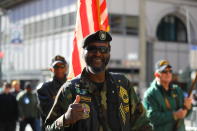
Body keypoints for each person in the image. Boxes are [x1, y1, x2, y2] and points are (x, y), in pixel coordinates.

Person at [45, 30, 152, 131]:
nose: (98, 53)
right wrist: (65, 119)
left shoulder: (122, 84)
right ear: (83, 53)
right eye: (92, 49)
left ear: (109, 53)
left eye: (103, 49)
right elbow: (48, 128)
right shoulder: (70, 89)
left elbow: (142, 124)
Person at [143, 60, 192, 131]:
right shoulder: (150, 94)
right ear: (157, 74)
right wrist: (174, 115)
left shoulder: (177, 90)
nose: (168, 74)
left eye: (170, 71)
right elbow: (151, 117)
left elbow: (185, 114)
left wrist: (188, 107)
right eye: (164, 72)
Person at [37, 55, 68, 128]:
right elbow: (49, 112)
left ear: (66, 68)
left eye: (62, 66)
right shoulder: (44, 88)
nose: (59, 69)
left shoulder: (72, 85)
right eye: (56, 67)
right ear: (51, 69)